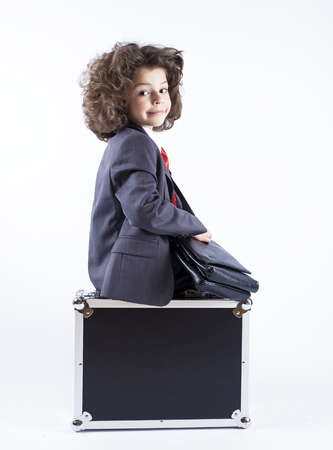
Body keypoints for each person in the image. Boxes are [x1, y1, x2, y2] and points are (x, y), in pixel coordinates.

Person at [80, 42, 212, 306]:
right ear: (118, 100)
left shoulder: (125, 139)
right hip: (129, 273)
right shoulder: (134, 143)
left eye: (163, 89)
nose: (158, 98)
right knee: (222, 282)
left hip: (120, 268)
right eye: (143, 92)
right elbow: (144, 208)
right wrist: (193, 226)